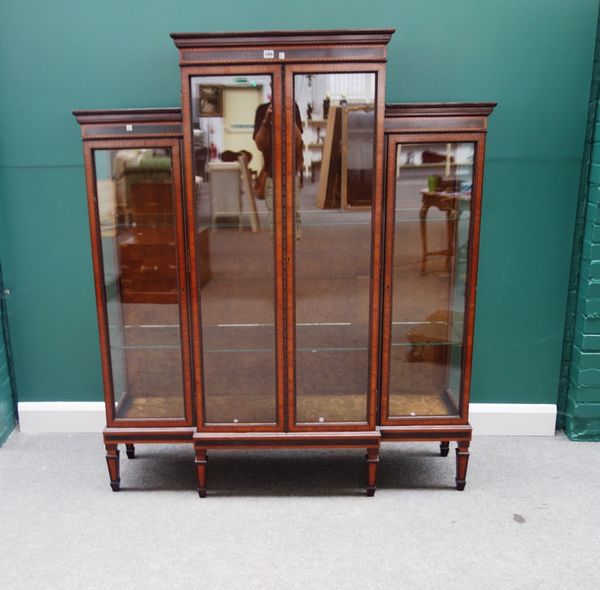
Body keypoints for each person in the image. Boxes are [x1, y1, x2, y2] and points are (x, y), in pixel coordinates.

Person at [253, 102, 303, 235]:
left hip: (291, 175)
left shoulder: (293, 107)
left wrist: (289, 117)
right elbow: (260, 145)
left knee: (294, 220)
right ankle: (279, 255)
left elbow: (297, 142)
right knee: (274, 221)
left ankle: (292, 255)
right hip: (271, 175)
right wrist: (265, 121)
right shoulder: (262, 109)